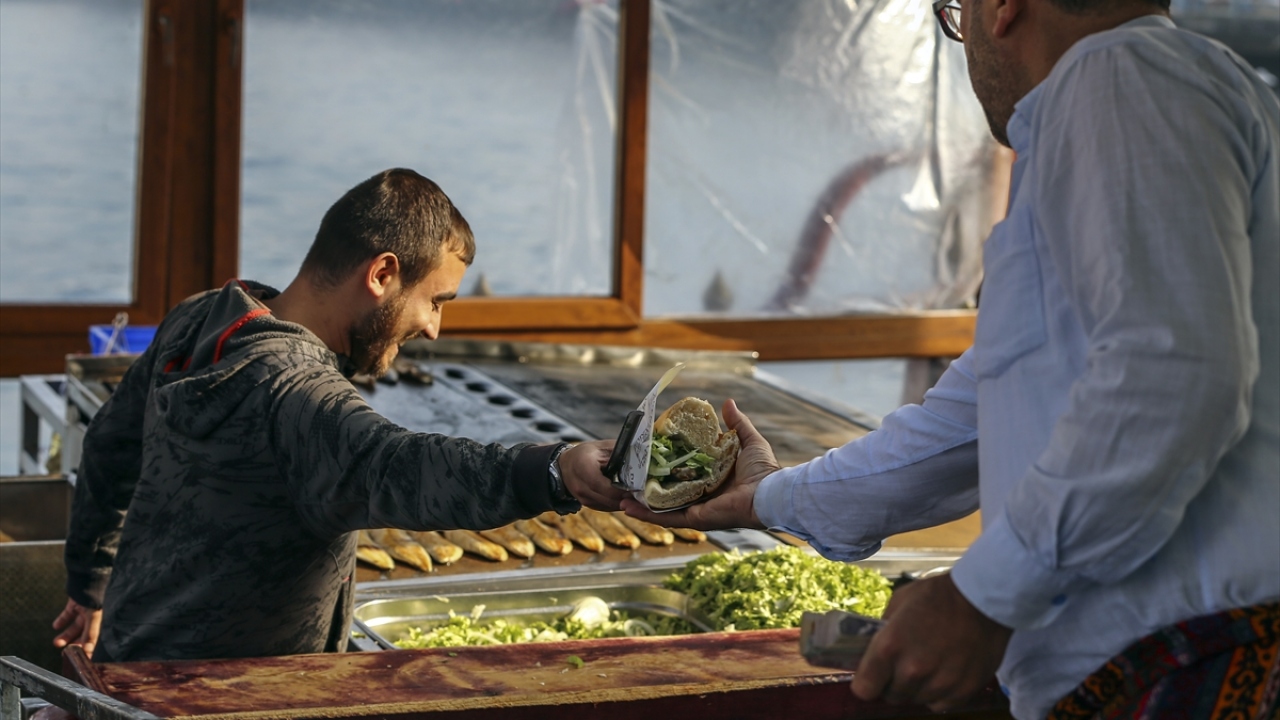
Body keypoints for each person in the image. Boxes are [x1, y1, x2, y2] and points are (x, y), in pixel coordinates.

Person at [623, 0, 1280, 717]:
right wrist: (767, 495)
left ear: (1002, 8)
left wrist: (982, 598)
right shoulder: (1156, 100)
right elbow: (969, 424)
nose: (963, 44)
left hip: (1190, 659)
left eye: (955, 15)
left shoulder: (1118, 78)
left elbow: (1172, 381)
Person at [52, 168, 626, 663]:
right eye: (435, 301)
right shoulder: (296, 394)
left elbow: (108, 445)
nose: (433, 328)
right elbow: (402, 466)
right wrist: (556, 470)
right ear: (381, 275)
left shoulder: (200, 318)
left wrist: (89, 583)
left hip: (129, 667)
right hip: (225, 701)